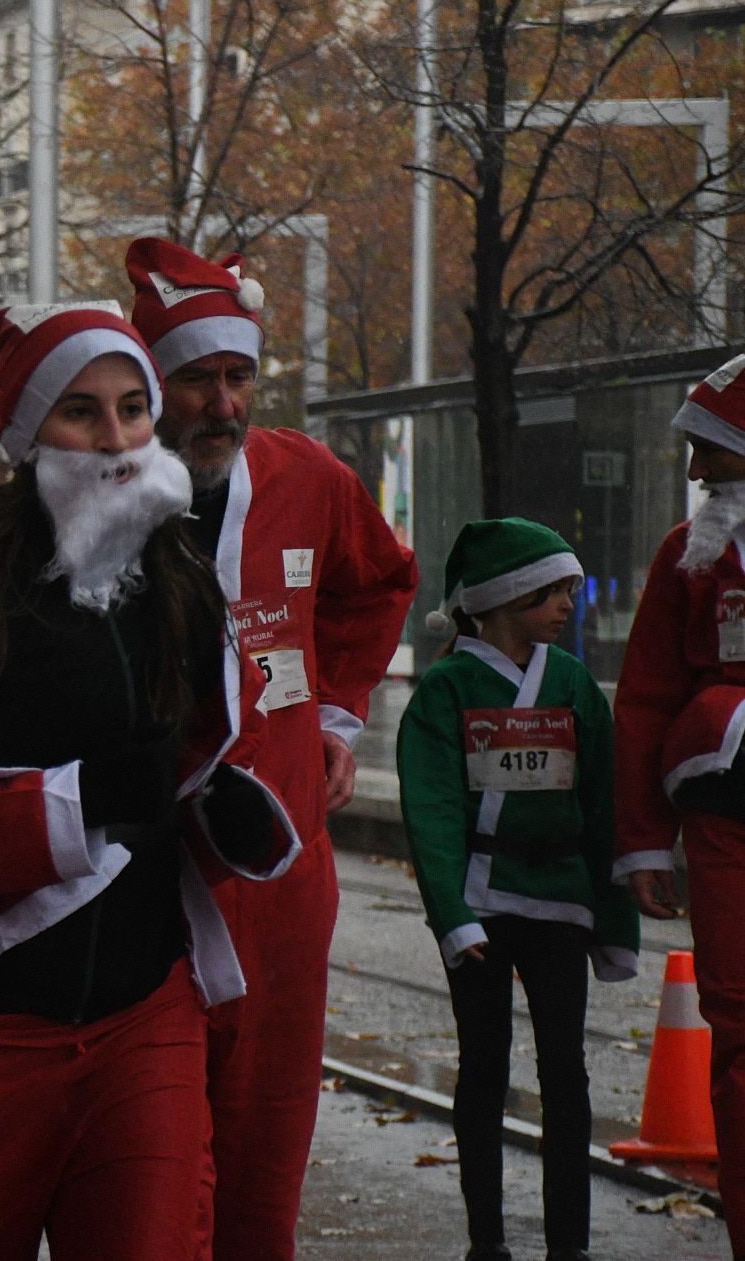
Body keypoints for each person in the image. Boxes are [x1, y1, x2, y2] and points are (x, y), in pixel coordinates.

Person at [0, 303, 298, 1261]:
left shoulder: (182, 579)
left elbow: (204, 751)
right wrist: (71, 809)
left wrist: (224, 808)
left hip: (143, 1021)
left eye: (132, 408)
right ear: (29, 434)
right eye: (81, 411)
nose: (116, 438)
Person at [124, 236, 420, 1259]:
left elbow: (378, 582)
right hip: (146, 877)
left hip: (284, 876)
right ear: (151, 387)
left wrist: (333, 713)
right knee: (159, 1166)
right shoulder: (99, 501)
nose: (222, 405)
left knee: (267, 1142)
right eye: (196, 381)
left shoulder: (305, 478)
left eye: (237, 378)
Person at [400, 519, 637, 1261]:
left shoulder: (573, 684)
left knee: (566, 1072)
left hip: (561, 903)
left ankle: (570, 1245)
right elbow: (433, 811)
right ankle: (488, 1242)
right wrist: (451, 912)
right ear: (506, 597)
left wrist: (615, 916)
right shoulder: (445, 690)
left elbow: (604, 805)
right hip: (480, 905)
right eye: (554, 590)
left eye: (570, 589)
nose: (569, 604)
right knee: (484, 1067)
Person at [613, 351, 745, 1261]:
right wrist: (643, 844)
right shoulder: (685, 557)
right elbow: (646, 699)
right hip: (723, 812)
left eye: (714, 450)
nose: (697, 472)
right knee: (736, 1025)